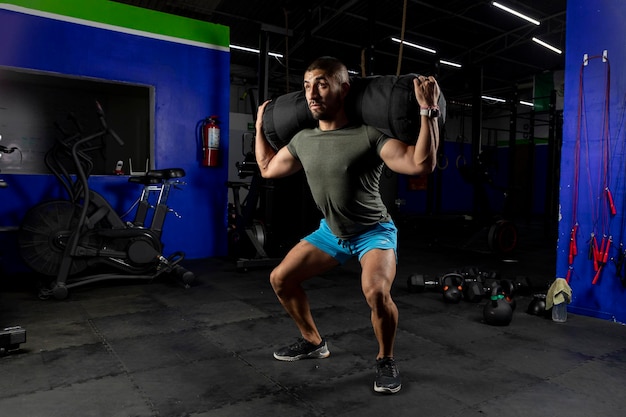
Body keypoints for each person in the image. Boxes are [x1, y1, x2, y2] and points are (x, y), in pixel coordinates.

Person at [254, 56, 440, 394]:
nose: (313, 93)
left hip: (373, 232)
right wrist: (258, 128)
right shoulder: (302, 139)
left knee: (377, 293)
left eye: (322, 83)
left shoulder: (369, 135)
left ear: (344, 89)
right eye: (308, 85)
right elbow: (267, 167)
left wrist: (429, 113)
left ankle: (386, 359)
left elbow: (420, 164)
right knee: (280, 279)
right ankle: (313, 341)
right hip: (332, 232)